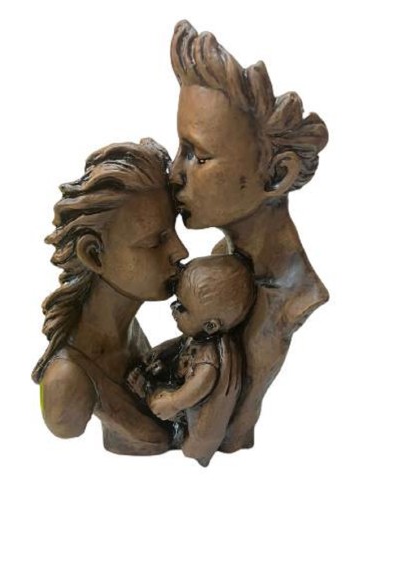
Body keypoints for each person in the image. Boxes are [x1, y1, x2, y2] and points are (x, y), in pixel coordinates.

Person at [169, 21, 329, 452]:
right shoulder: (223, 261)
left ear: (275, 175)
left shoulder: (290, 301)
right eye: (180, 150)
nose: (175, 174)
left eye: (198, 156)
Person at [32, 138, 188, 455]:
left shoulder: (129, 334)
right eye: (154, 241)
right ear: (94, 254)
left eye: (173, 231)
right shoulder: (68, 382)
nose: (181, 251)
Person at [127, 255, 255, 466]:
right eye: (176, 302)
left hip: (186, 410)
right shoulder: (199, 333)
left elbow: (197, 388)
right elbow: (180, 342)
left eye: (182, 308)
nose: (174, 309)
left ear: (211, 325)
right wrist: (159, 351)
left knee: (158, 401)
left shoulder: (208, 361)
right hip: (179, 379)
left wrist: (173, 401)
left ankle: (145, 392)